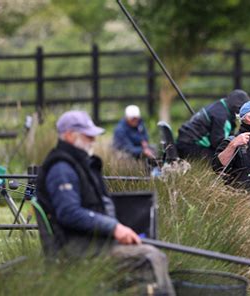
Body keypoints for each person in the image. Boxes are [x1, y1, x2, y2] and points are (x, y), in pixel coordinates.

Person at [36, 110, 174, 295]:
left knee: (155, 252)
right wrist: (114, 228)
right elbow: (69, 213)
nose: (93, 140)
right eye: (88, 135)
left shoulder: (80, 162)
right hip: (78, 247)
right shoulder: (61, 168)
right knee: (151, 256)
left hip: (94, 240)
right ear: (69, 135)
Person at [176, 89, 250, 160]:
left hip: (184, 141)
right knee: (223, 160)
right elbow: (218, 143)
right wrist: (236, 146)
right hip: (190, 146)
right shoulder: (220, 116)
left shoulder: (222, 104)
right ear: (236, 107)